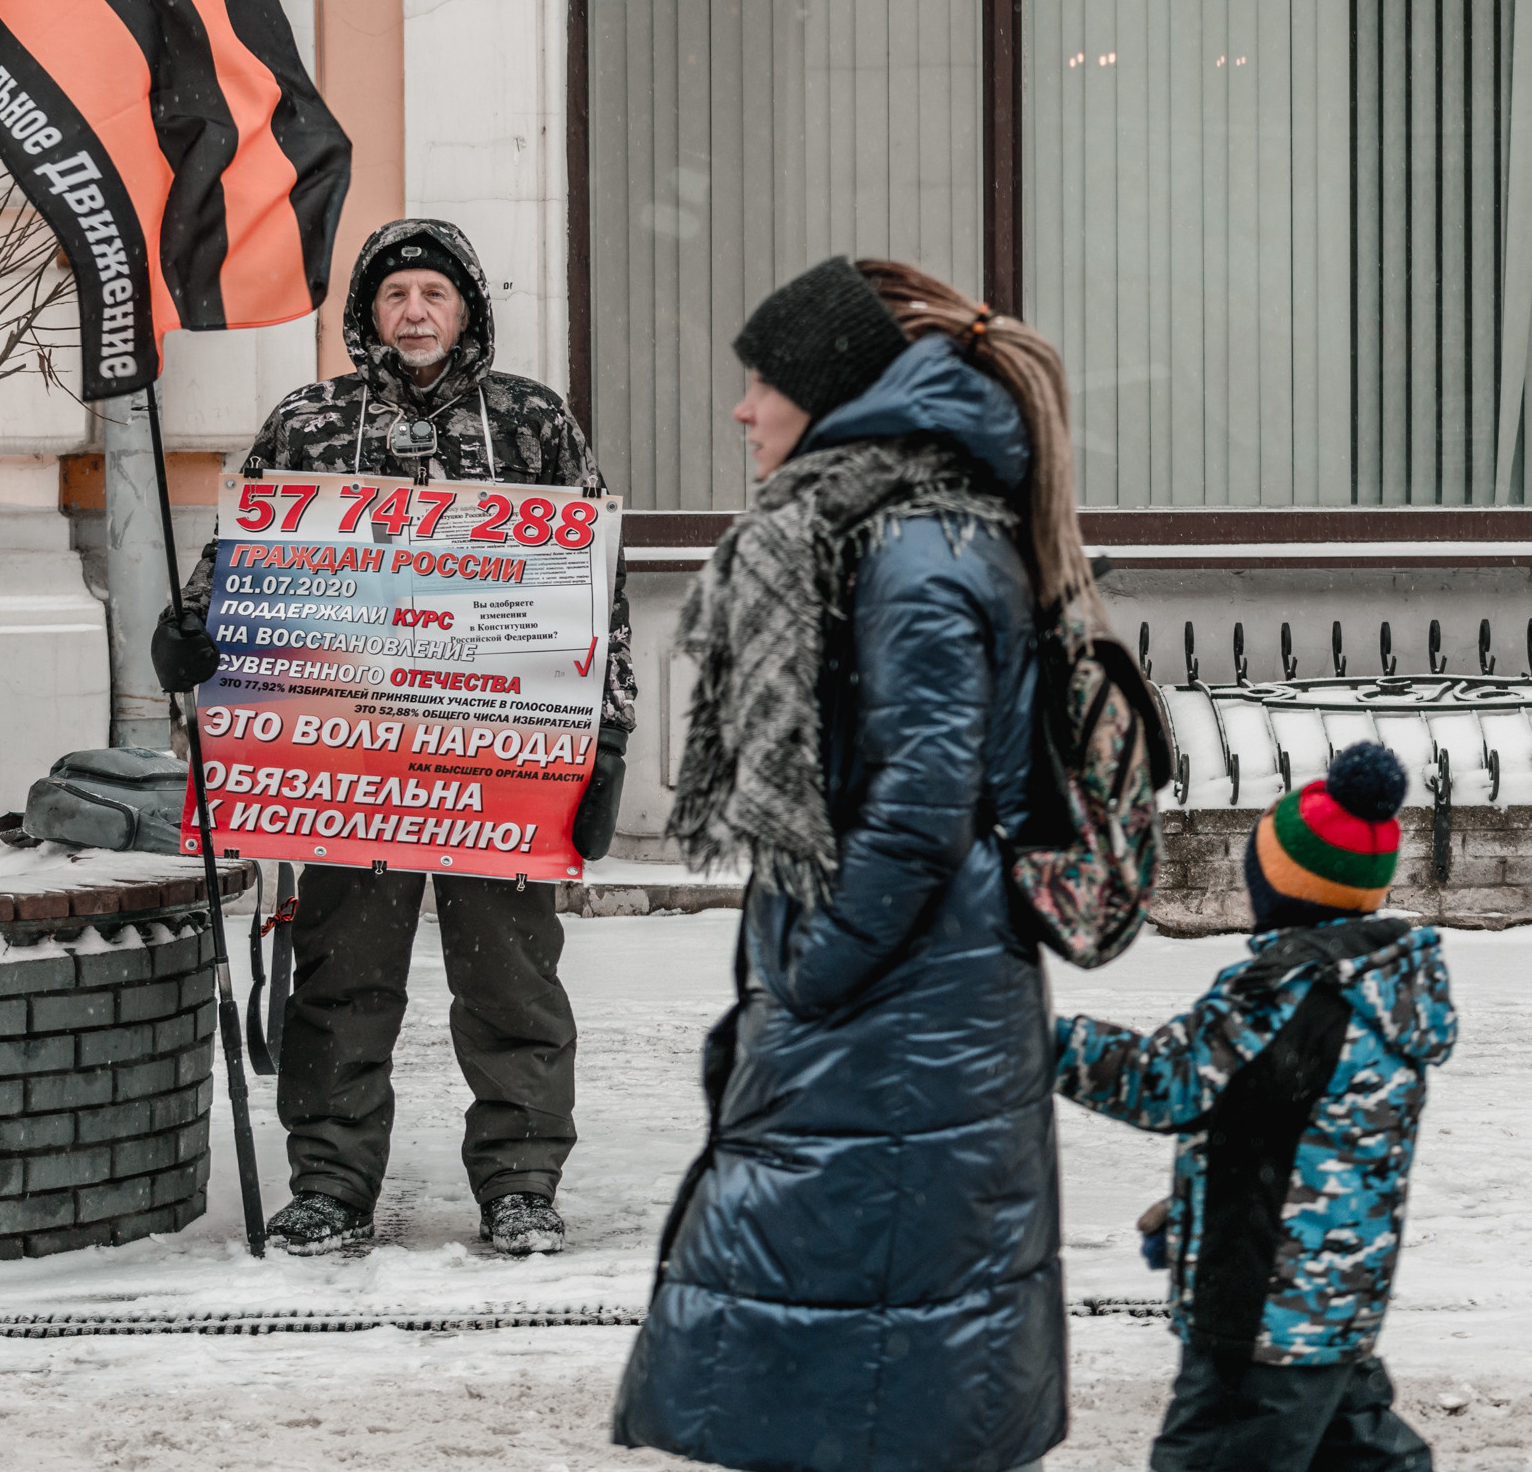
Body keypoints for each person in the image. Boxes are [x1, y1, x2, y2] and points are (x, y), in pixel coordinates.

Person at [612, 256, 1098, 1472]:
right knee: (862, 1362)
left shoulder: (915, 546)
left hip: (896, 1010)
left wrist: (816, 976)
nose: (741, 410)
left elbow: (923, 799)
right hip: (912, 1006)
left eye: (761, 381)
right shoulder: (893, 524)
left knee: (861, 1365)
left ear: (829, 394)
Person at [153, 218, 636, 1258]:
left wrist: (608, 738)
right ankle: (328, 1183)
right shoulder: (312, 421)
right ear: (367, 315)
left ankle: (518, 1183)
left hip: (496, 766)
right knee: (341, 980)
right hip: (350, 768)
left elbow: (599, 590)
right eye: (394, 297)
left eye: (433, 295)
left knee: (510, 981)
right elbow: (247, 555)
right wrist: (196, 629)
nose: (414, 313)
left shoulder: (533, 422)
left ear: (467, 309)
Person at [1053, 743, 1458, 1472]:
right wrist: (1201, 1210)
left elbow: (1165, 1080)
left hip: (1264, 1320)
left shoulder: (1279, 996)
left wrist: (1036, 1039)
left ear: (1279, 886)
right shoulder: (1387, 990)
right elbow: (1311, 1133)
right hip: (1334, 1308)